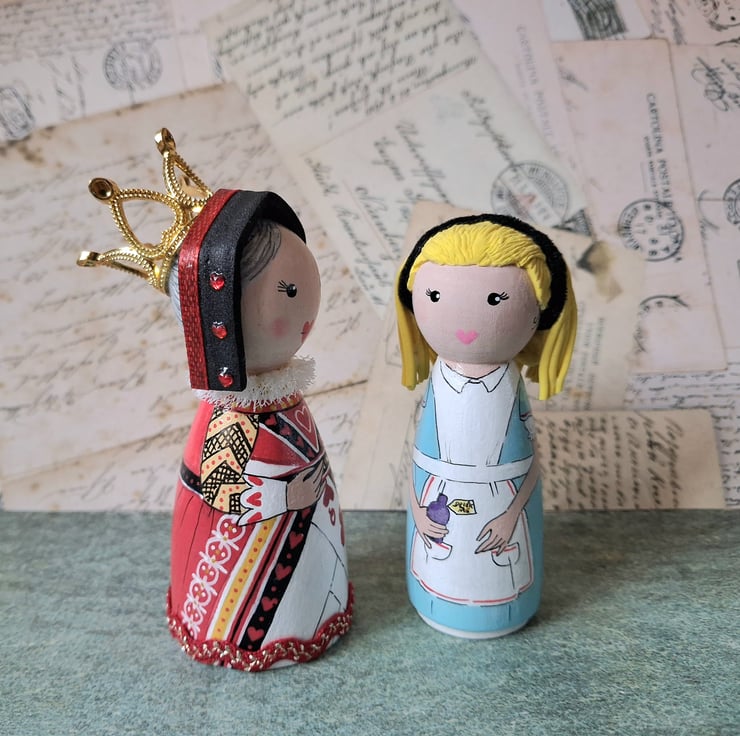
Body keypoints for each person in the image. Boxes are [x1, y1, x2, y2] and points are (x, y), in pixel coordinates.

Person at [79, 131, 352, 670]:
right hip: (241, 573)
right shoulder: (229, 417)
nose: (306, 311)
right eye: (288, 292)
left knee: (310, 586)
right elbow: (223, 495)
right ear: (220, 318)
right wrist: (288, 496)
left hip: (305, 544)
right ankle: (250, 633)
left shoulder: (285, 395)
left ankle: (318, 611)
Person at [395, 214, 577, 638]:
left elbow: (529, 466)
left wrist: (510, 516)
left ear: (539, 313)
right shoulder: (439, 381)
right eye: (435, 296)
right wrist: (418, 512)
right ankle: (437, 597)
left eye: (497, 299)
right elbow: (420, 462)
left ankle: (504, 607)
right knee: (440, 568)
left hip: (500, 502)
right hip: (439, 499)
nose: (465, 323)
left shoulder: (510, 386)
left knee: (500, 576)